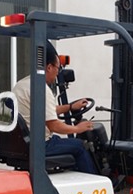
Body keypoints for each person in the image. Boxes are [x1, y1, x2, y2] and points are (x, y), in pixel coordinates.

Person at [12, 42, 97, 174]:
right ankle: (95, 182)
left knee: (66, 142)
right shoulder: (41, 88)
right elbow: (54, 125)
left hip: (23, 145)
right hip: (41, 145)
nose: (58, 73)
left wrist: (70, 107)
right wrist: (78, 128)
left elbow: (44, 111)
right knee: (81, 145)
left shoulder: (21, 85)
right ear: (49, 67)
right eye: (58, 68)